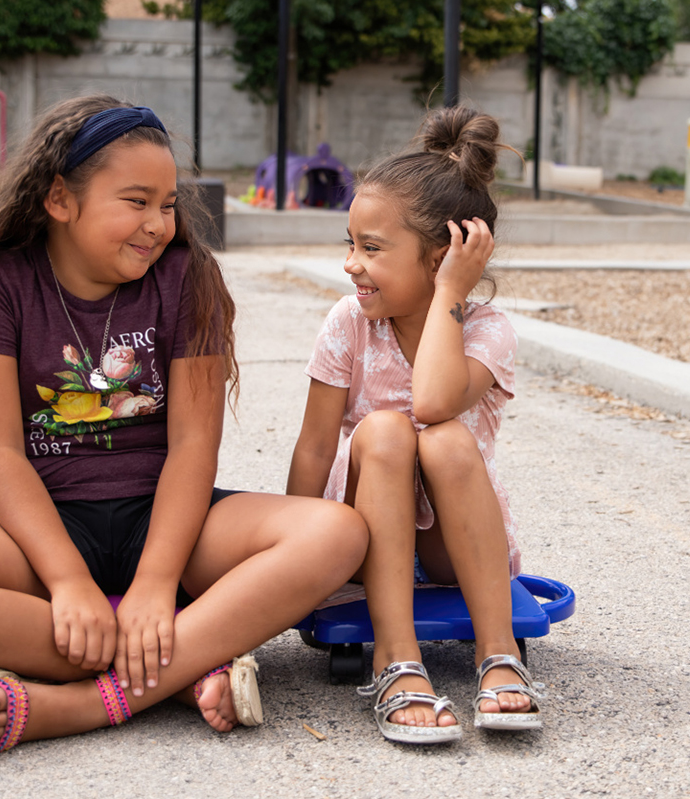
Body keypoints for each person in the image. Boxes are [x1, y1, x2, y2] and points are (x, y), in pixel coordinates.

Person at [0, 94, 368, 753]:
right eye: (136, 201)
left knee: (337, 533)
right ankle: (190, 653)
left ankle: (84, 700)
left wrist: (157, 580)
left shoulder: (187, 279)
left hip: (170, 523)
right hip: (45, 528)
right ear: (59, 199)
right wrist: (69, 582)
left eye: (168, 204)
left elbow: (194, 445)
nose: (159, 223)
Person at [287, 105, 541, 745]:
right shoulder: (349, 322)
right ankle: (396, 662)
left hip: (451, 546)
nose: (351, 263)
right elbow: (317, 443)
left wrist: (452, 294)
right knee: (384, 432)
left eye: (371, 248)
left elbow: (432, 401)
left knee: (443, 435)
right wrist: (287, 556)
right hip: (359, 529)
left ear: (442, 257)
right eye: (349, 243)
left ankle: (497, 651)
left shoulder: (486, 330)